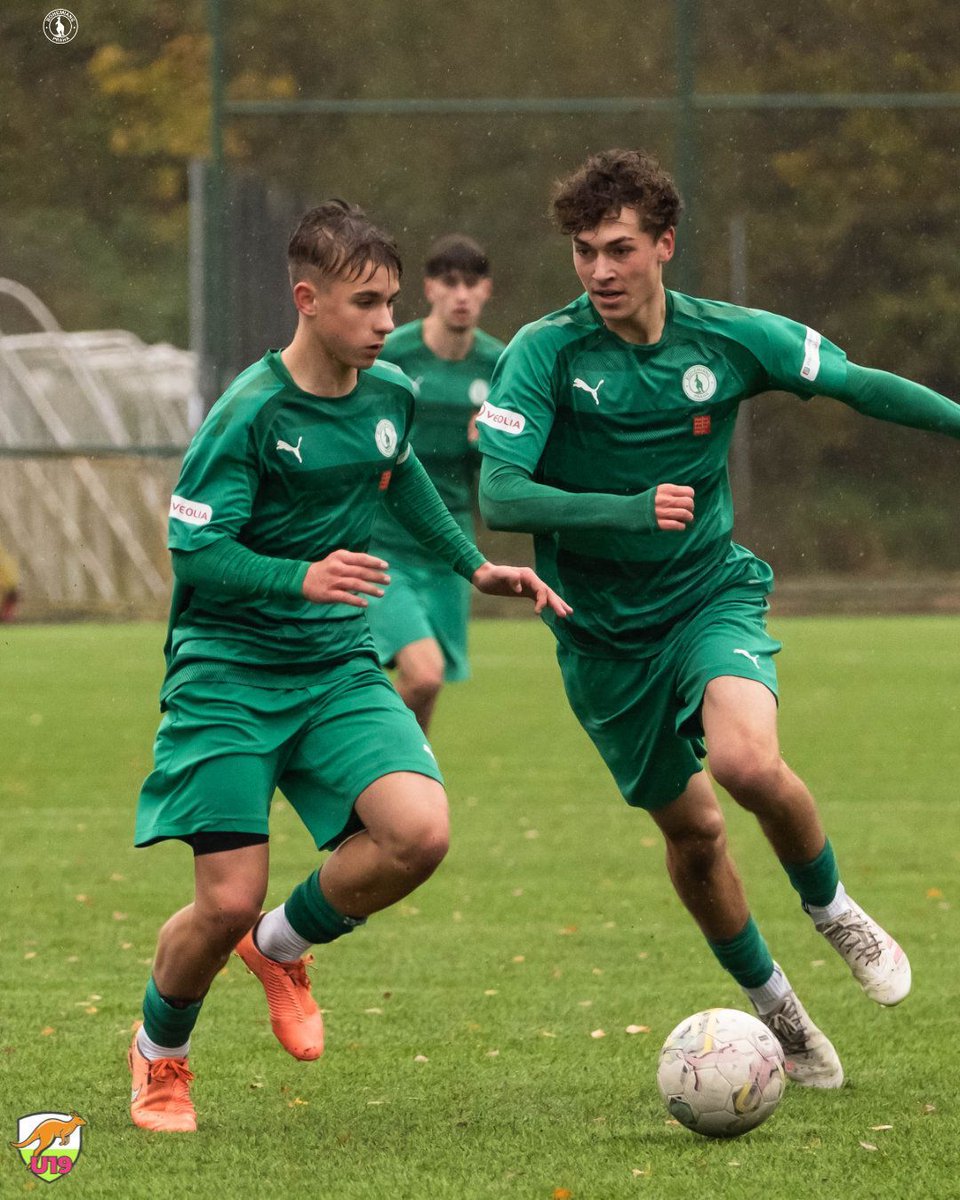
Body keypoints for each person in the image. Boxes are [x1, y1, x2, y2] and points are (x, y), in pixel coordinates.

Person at [477, 149, 960, 1088]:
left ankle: (834, 911)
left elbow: (859, 383)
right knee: (693, 836)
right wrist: (623, 508)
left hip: (707, 595)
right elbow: (501, 491)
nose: (601, 272)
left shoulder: (732, 339)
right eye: (584, 253)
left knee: (746, 762)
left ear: (665, 245)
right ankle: (777, 1007)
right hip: (599, 636)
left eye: (620, 249)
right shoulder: (545, 351)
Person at [128, 199, 570, 1133]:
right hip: (228, 673)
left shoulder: (388, 392)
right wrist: (301, 574)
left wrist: (472, 562)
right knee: (223, 903)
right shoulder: (249, 412)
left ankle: (281, 947)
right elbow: (195, 554)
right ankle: (161, 1056)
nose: (384, 323)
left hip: (333, 664)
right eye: (367, 304)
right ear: (308, 299)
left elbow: (397, 470)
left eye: (390, 302)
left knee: (419, 832)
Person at [365, 235, 504, 732]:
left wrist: (486, 445)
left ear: (487, 290)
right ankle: (364, 764)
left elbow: (501, 473)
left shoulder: (500, 366)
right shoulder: (392, 356)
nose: (461, 295)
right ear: (429, 289)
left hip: (450, 549)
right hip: (386, 543)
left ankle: (398, 797)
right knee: (423, 675)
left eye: (472, 283)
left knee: (431, 682)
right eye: (450, 283)